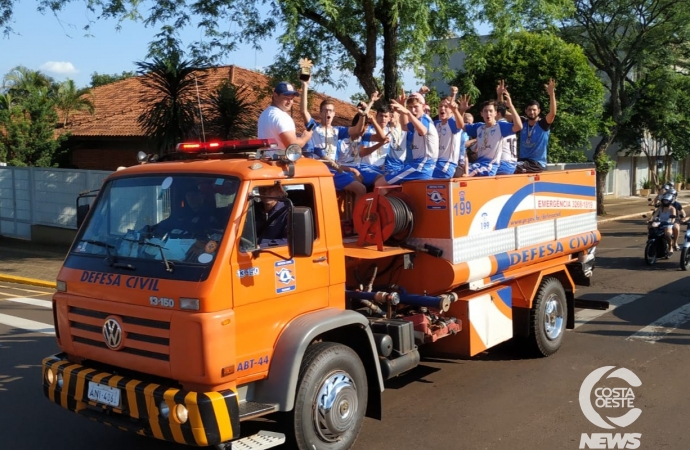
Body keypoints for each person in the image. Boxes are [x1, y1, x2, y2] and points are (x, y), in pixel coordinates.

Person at [299, 80, 372, 200]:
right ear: (321, 113)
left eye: (331, 111)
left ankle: (355, 217)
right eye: (325, 110)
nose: (328, 113)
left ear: (334, 114)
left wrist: (363, 115)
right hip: (320, 168)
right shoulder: (314, 127)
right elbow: (303, 111)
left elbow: (357, 130)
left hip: (335, 168)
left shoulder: (338, 130)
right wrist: (305, 85)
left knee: (361, 187)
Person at [375, 92, 439, 187]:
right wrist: (402, 107)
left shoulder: (424, 119)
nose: (413, 110)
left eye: (415, 106)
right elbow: (405, 126)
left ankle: (391, 201)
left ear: (423, 106)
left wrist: (407, 112)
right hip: (420, 165)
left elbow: (422, 131)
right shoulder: (419, 120)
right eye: (410, 107)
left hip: (421, 166)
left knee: (379, 184)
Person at [460, 88, 522, 177]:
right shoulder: (480, 127)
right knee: (460, 170)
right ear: (481, 113)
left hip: (495, 165)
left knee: (466, 175)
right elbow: (460, 126)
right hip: (484, 163)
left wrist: (511, 106)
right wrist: (461, 111)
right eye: (485, 111)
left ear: (496, 113)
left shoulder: (500, 126)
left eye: (491, 111)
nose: (488, 114)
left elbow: (519, 126)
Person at [514, 78, 557, 173]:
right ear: (526, 111)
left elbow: (552, 113)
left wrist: (551, 94)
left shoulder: (543, 124)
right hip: (522, 161)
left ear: (539, 111)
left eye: (534, 110)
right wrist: (500, 95)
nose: (531, 112)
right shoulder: (523, 122)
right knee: (506, 166)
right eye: (529, 110)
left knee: (512, 168)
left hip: (536, 163)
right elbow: (503, 114)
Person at [258, 81, 313, 151]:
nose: (290, 102)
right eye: (286, 98)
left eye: (292, 98)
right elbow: (292, 146)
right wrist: (305, 137)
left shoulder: (264, 114)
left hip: (264, 158)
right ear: (275, 96)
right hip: (279, 160)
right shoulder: (282, 117)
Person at [433, 87, 467, 178]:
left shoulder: (452, 123)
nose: (442, 108)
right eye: (440, 106)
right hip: (435, 163)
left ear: (451, 110)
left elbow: (460, 125)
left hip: (447, 164)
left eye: (446, 107)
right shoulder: (436, 124)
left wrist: (456, 110)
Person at [495, 101, 518, 175]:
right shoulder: (508, 126)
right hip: (512, 164)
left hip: (503, 163)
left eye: (491, 111)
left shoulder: (498, 126)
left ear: (497, 114)